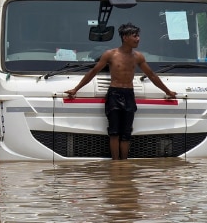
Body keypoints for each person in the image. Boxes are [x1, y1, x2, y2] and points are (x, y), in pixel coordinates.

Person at [65, 23, 177, 160]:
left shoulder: (138, 57)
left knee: (126, 132)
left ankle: (124, 163)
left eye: (138, 36)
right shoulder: (110, 55)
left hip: (129, 94)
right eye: (135, 36)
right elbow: (93, 72)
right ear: (125, 37)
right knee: (114, 132)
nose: (138, 39)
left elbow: (152, 75)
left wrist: (168, 91)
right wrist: (76, 89)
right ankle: (115, 163)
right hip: (114, 94)